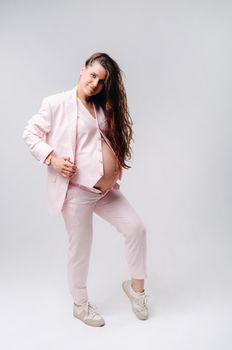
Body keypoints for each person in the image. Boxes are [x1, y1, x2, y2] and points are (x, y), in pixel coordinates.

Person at [23, 52, 149, 327]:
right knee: (80, 248)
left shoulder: (99, 107)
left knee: (136, 228)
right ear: (82, 70)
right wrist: (52, 159)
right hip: (77, 191)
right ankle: (80, 305)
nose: (95, 84)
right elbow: (30, 133)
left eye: (101, 81)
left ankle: (136, 290)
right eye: (92, 76)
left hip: (104, 192)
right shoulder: (56, 103)